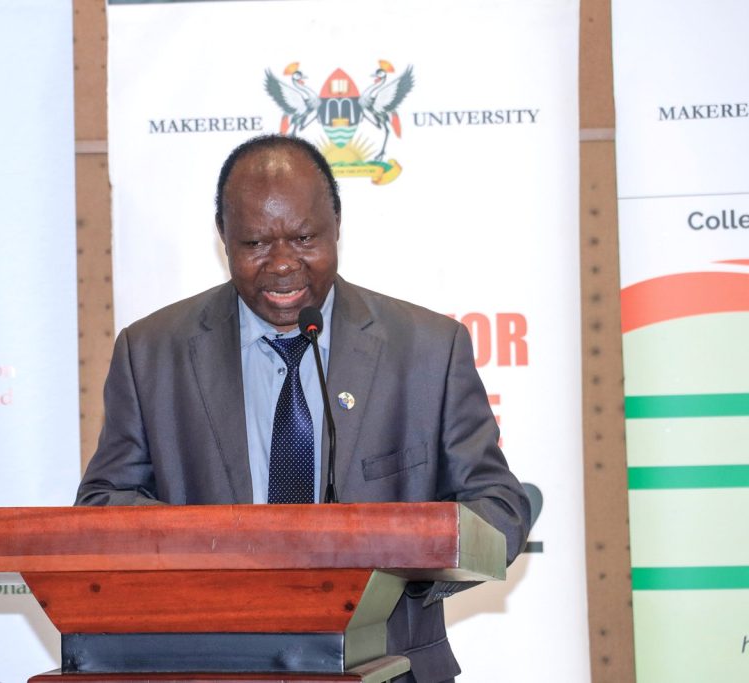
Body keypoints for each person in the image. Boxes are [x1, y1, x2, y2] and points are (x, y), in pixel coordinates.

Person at [76, 134, 530, 683]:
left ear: (338, 226)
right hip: (213, 665)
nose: (284, 264)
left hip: (393, 663)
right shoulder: (150, 353)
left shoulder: (429, 349)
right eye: (256, 244)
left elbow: (499, 506)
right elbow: (104, 503)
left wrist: (404, 566)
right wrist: (208, 543)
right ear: (223, 239)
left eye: (304, 237)